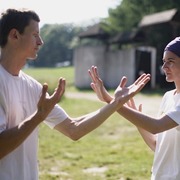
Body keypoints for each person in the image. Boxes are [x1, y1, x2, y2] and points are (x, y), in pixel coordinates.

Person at [0, 8, 150, 180]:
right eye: (35, 34)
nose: (40, 41)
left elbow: (73, 129)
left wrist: (115, 103)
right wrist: (38, 117)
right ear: (14, 35)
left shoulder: (32, 86)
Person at [88, 37, 180, 180]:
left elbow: (156, 126)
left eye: (171, 61)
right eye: (164, 61)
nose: (164, 67)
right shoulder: (168, 96)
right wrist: (137, 119)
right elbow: (157, 146)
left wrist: (111, 101)